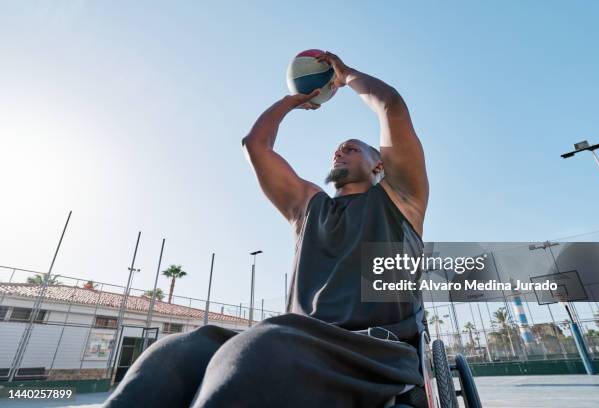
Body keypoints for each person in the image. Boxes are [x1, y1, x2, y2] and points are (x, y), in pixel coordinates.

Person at [104, 51, 429, 408]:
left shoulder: (400, 198)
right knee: (175, 353)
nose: (339, 153)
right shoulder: (309, 207)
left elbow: (391, 106)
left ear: (379, 163)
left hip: (370, 351)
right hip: (295, 339)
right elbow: (255, 145)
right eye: (336, 151)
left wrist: (346, 75)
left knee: (260, 350)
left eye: (351, 148)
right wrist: (294, 100)